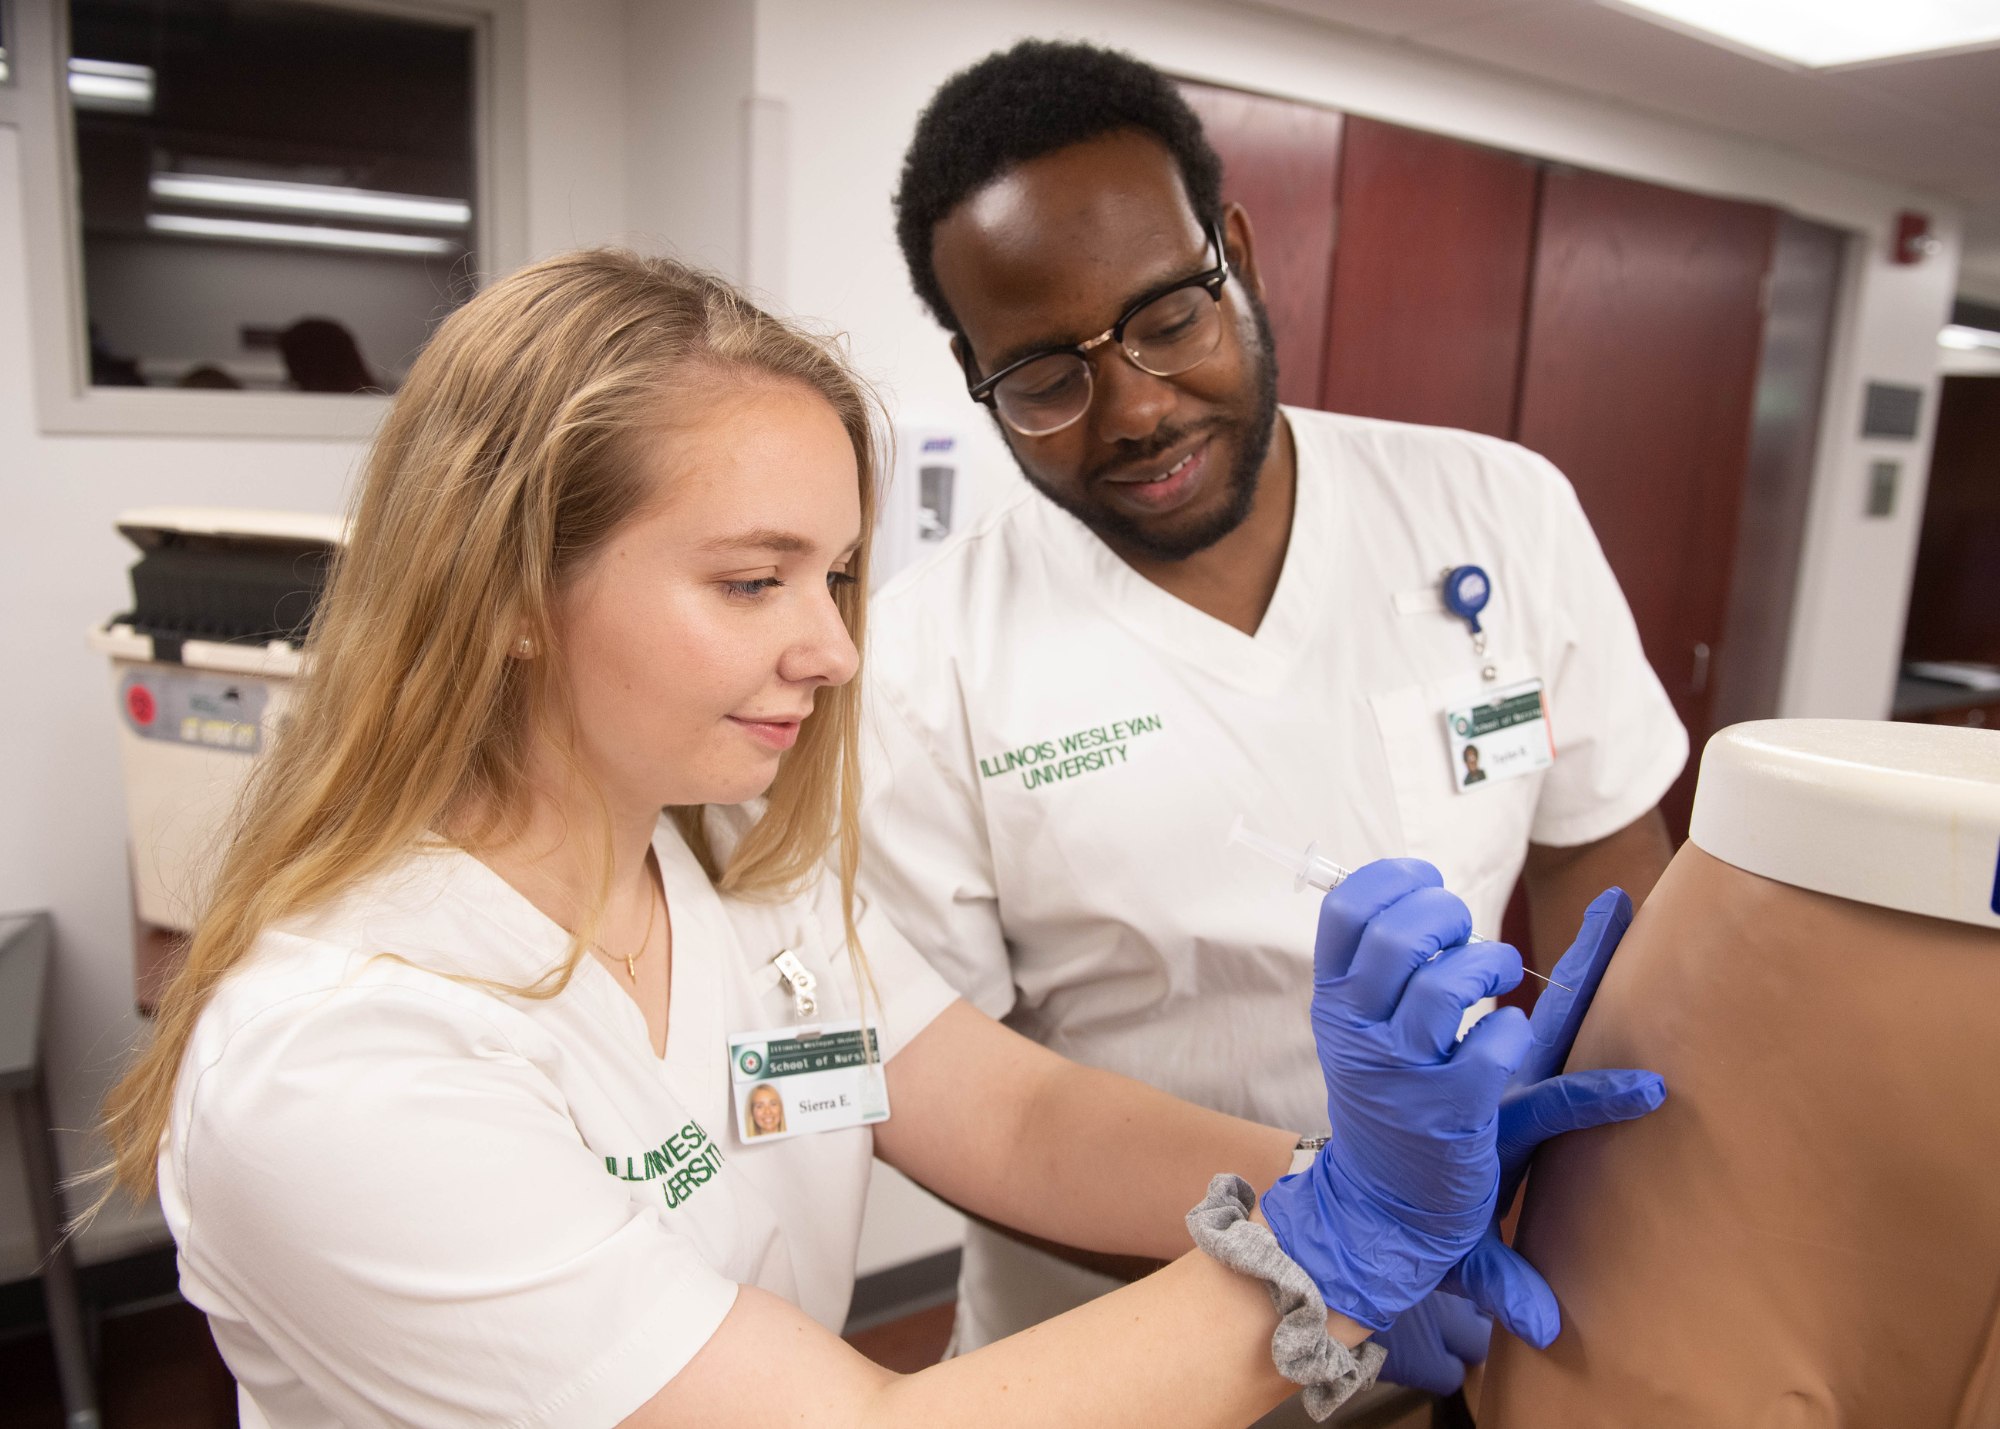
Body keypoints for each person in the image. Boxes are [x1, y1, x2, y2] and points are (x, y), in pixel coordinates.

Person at [92, 249, 1659, 1427]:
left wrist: (1372, 1172)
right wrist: (1342, 1249)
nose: (836, 649)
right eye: (752, 580)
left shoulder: (733, 878)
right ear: (506, 592)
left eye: (835, 577)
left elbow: (1020, 1119)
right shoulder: (348, 1055)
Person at [867, 39, 1689, 1412]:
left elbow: (1620, 893)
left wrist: (1580, 1210)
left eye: (1169, 318)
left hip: (1458, 1324)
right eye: (1045, 377)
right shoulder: (925, 656)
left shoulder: (1500, 514)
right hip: (1113, 1355)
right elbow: (961, 1103)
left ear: (1235, 252)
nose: (1133, 407)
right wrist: (1315, 1257)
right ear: (974, 374)